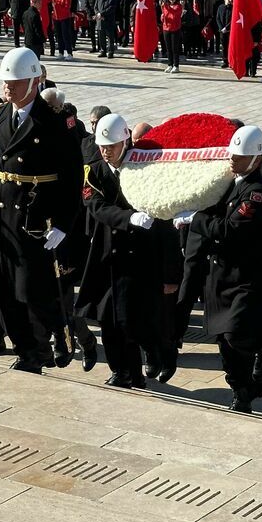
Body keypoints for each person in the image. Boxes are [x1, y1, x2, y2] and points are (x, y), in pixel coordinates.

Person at [0, 49, 83, 373]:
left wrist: (64, 223)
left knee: (33, 294)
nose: (8, 86)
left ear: (35, 80)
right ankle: (27, 352)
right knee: (1, 292)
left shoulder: (53, 124)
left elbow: (71, 178)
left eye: (16, 80)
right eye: (6, 81)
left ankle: (55, 343)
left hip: (34, 217)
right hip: (1, 218)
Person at [77, 114, 180, 387]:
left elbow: (166, 227)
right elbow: (96, 206)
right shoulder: (96, 172)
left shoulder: (145, 169)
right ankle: (122, 371)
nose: (106, 152)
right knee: (109, 320)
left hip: (142, 259)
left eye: (111, 146)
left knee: (137, 321)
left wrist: (170, 274)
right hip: (108, 256)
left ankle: (158, 354)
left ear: (125, 142)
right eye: (102, 146)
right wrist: (128, 218)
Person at [176, 125, 262, 411]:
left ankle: (254, 365)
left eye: (240, 156)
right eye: (232, 154)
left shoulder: (255, 192)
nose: (233, 159)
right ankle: (246, 388)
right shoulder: (232, 182)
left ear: (256, 159)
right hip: (221, 276)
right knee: (224, 341)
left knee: (235, 336)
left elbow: (233, 230)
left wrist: (196, 220)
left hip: (245, 277)